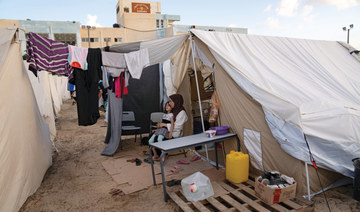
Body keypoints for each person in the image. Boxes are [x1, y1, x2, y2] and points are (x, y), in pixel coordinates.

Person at [152, 94, 188, 162]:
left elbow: (177, 127)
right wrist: (159, 128)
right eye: (169, 101)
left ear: (176, 101)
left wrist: (164, 125)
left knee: (159, 138)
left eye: (171, 101)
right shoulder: (174, 110)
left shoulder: (182, 113)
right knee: (153, 135)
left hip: (175, 132)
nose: (170, 103)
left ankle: (163, 155)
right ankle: (156, 154)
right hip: (168, 130)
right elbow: (167, 121)